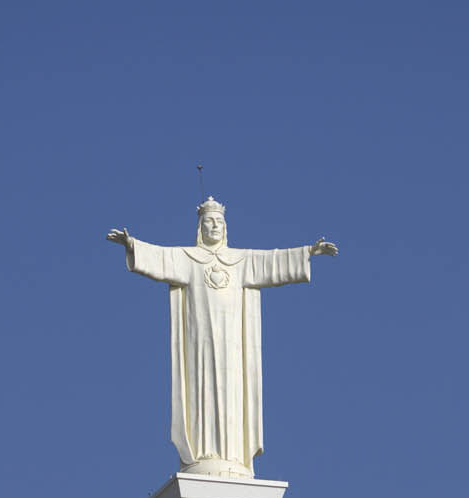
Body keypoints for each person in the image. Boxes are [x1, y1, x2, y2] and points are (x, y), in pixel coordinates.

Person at [109, 199, 337, 478]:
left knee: (232, 392)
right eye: (209, 221)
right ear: (200, 226)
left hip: (232, 345)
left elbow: (273, 262)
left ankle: (232, 453)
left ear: (225, 227)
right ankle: (204, 450)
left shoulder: (239, 261)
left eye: (218, 221)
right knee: (201, 389)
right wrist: (132, 245)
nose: (214, 226)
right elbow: (160, 257)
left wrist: (308, 252)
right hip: (199, 343)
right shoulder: (188, 259)